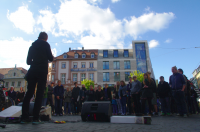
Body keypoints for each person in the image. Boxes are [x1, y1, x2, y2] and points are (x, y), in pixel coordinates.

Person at [21, 32, 53, 124]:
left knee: (29, 93)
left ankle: (24, 117)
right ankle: (35, 118)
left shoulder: (32, 47)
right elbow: (50, 58)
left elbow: (28, 61)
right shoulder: (46, 45)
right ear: (46, 38)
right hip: (42, 72)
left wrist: (35, 62)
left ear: (38, 37)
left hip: (33, 71)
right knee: (39, 94)